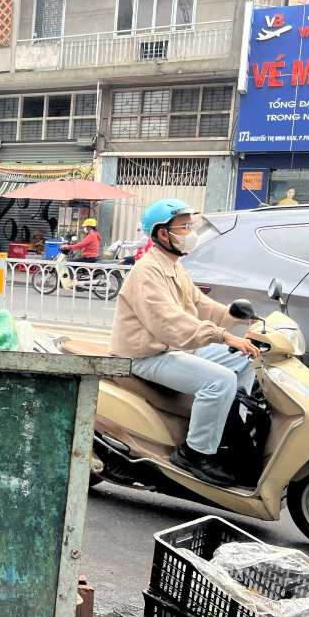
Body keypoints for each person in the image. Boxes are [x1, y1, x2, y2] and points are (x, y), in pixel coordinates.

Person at [111, 198, 259, 488]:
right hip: (146, 356)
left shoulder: (174, 266)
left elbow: (201, 305)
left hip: (171, 349)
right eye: (184, 226)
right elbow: (168, 323)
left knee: (245, 358)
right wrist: (223, 336)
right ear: (162, 234)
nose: (190, 232)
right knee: (220, 381)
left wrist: (238, 318)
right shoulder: (147, 272)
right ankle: (196, 453)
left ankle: (227, 429)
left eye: (191, 225)